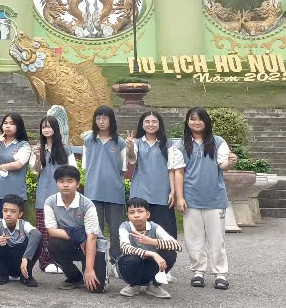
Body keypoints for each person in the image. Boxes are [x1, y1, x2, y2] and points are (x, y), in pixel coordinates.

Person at [169, 107, 238, 290]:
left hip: (214, 198)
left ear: (206, 122)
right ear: (187, 122)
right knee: (193, 238)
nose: (196, 122)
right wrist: (180, 197)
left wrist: (230, 162)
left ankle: (220, 273)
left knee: (216, 239)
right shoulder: (181, 145)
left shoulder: (218, 142)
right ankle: (198, 271)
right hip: (191, 198)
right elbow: (178, 172)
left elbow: (223, 165)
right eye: (192, 119)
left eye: (200, 119)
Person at [44, 165, 107, 293]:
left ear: (77, 184)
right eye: (61, 181)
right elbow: (52, 231)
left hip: (92, 245)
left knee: (97, 288)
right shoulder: (50, 202)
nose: (65, 185)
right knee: (54, 244)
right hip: (72, 243)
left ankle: (88, 268)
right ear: (57, 183)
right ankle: (75, 277)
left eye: (70, 181)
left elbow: (92, 237)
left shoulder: (87, 205)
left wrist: (89, 270)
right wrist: (79, 236)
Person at [80, 105, 127, 269]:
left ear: (111, 120)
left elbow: (124, 169)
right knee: (95, 231)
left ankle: (116, 261)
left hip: (114, 193)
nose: (101, 121)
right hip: (93, 192)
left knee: (116, 231)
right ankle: (98, 262)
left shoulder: (120, 142)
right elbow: (85, 166)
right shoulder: (88, 140)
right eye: (98, 118)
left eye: (104, 118)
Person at [31, 115, 78, 274]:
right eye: (43, 127)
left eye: (49, 126)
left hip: (62, 196)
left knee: (61, 229)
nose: (46, 129)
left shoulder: (65, 149)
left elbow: (74, 170)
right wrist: (38, 157)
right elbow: (35, 170)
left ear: (55, 129)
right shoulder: (39, 148)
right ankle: (45, 262)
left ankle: (62, 261)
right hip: (44, 194)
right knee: (43, 230)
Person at [126, 111, 177, 239]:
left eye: (154, 121)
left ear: (159, 124)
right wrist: (130, 148)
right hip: (140, 194)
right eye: (147, 122)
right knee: (141, 233)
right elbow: (132, 159)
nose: (150, 124)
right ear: (142, 124)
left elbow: (172, 168)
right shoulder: (136, 142)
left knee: (165, 233)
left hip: (162, 195)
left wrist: (173, 191)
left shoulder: (168, 143)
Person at [117, 197, 181, 299]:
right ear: (128, 215)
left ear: (147, 214)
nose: (136, 215)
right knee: (133, 259)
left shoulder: (154, 227)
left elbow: (176, 246)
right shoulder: (125, 227)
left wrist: (151, 241)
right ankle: (133, 285)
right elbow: (125, 248)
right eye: (132, 212)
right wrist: (153, 254)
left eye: (140, 211)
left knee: (170, 253)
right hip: (129, 268)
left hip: (150, 267)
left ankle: (154, 285)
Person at [0, 194, 41, 286]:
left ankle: (26, 275)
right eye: (5, 210)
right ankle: (2, 274)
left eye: (13, 211)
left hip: (21, 262)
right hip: (4, 259)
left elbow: (36, 234)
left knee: (37, 239)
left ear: (20, 214)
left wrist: (26, 257)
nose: (8, 214)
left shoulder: (24, 224)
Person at [0, 113, 32, 219]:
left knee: (14, 225)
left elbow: (18, 164)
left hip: (15, 194)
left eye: (12, 123)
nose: (7, 126)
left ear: (18, 126)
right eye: (5, 123)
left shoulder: (23, 145)